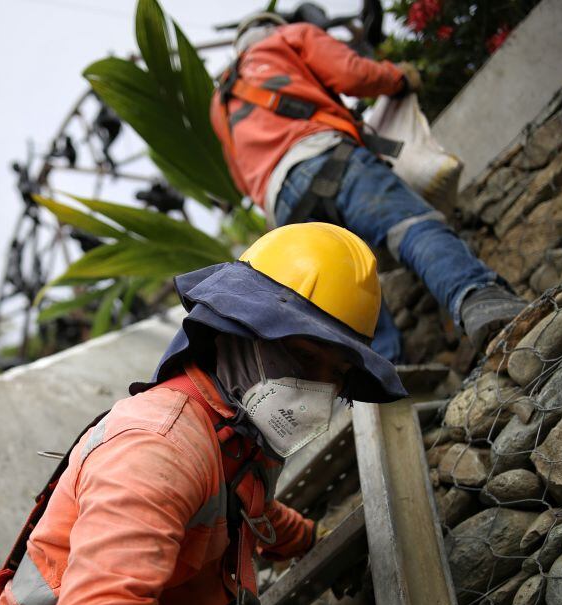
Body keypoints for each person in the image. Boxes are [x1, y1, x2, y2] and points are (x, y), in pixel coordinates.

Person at [0, 223, 407, 605]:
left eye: (337, 373)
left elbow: (247, 505)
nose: (319, 386)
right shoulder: (157, 449)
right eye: (304, 357)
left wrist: (313, 538)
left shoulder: (232, 433)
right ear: (236, 332)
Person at [211, 12, 525, 359]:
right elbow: (353, 74)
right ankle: (481, 300)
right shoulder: (289, 38)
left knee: (347, 299)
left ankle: (385, 386)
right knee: (412, 228)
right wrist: (399, 78)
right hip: (330, 157)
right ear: (272, 27)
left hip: (284, 205)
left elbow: (241, 178)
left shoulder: (220, 103)